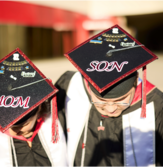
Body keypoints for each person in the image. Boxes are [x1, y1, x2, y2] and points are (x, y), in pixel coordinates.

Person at [55, 25, 163, 167]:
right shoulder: (69, 87)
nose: (111, 109)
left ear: (136, 82)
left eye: (120, 100)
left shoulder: (156, 105)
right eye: (101, 101)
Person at [0, 48, 67, 167]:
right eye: (8, 124)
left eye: (23, 125)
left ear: (38, 108)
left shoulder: (56, 123)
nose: (13, 130)